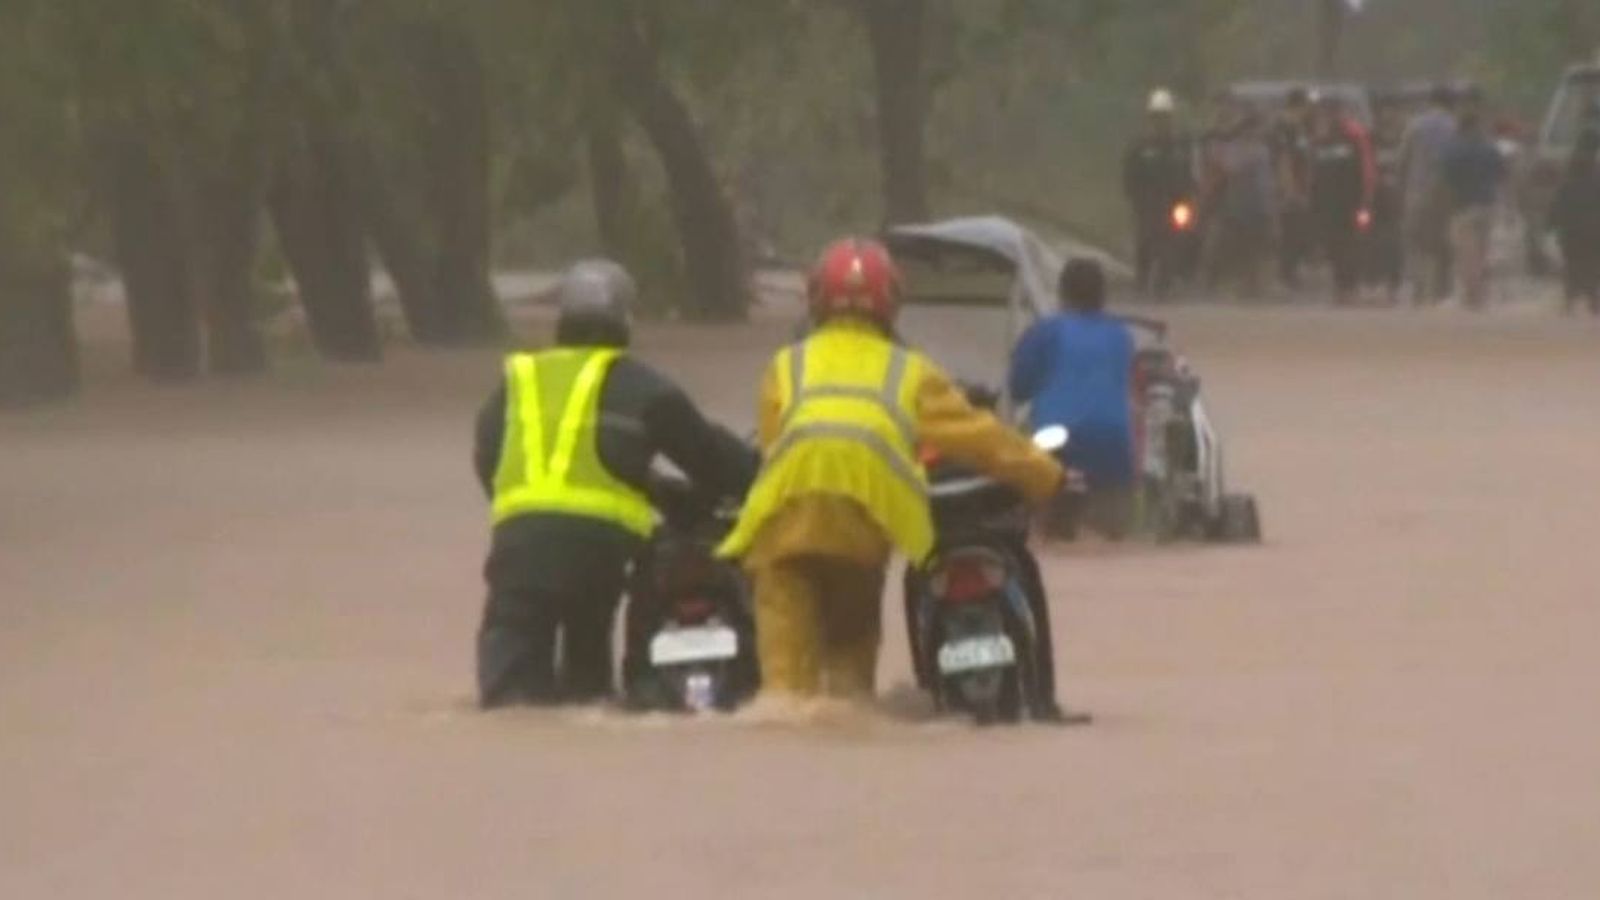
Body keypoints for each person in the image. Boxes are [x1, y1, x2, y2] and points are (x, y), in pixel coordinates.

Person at [716, 238, 1068, 717]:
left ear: (816, 298)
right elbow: (983, 438)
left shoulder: (785, 366)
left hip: (783, 528)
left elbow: (771, 449)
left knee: (784, 689)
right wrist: (1047, 477)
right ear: (891, 302)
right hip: (858, 528)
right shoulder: (910, 371)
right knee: (848, 662)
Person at [472, 259, 755, 708]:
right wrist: (764, 476)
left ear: (561, 319)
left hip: (518, 552)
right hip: (597, 555)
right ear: (625, 320)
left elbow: (488, 457)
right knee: (587, 685)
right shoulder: (642, 387)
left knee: (508, 698)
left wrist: (525, 517)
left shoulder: (516, 382)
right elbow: (710, 458)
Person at [1008, 258, 1136, 537]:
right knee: (1113, 537)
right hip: (1115, 447)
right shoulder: (1122, 336)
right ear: (1103, 296)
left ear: (1062, 293)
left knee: (1044, 529)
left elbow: (1018, 389)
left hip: (1056, 443)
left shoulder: (1045, 332)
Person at [1122, 88, 1196, 295]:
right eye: (1158, 117)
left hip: (1175, 203)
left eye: (1165, 117)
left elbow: (1188, 173)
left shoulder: (1181, 144)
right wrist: (1137, 201)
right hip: (1148, 204)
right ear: (1151, 119)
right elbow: (1130, 177)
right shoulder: (1140, 146)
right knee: (1145, 242)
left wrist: (1188, 199)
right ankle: (1142, 282)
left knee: (1173, 242)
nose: (1162, 122)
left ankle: (1165, 284)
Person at [1439, 104, 1508, 311]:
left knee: (1467, 254)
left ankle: (1473, 296)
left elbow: (1446, 181)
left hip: (1463, 207)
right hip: (1487, 205)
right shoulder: (1490, 148)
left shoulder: (1453, 150)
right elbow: (1502, 175)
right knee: (1483, 250)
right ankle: (1481, 294)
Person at [1308, 95, 1373, 305]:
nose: (1328, 117)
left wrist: (1366, 200)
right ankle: (1339, 288)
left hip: (1352, 203)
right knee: (1333, 245)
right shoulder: (1320, 140)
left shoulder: (1355, 135)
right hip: (1327, 205)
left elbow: (1367, 169)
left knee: (1351, 244)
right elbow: (1314, 173)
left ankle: (1351, 288)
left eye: (1332, 112)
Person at [1398, 84, 1457, 304]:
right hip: (1446, 196)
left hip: (1417, 192)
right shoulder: (1455, 127)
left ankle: (1418, 288)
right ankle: (1440, 293)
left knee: (1416, 243)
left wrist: (1401, 187)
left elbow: (1402, 160)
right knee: (1443, 244)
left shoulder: (1415, 126)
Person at [1550, 131, 1600, 314]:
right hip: (1594, 230)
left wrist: (1550, 226)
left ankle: (1569, 301)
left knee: (1571, 265)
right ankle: (1593, 300)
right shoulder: (1597, 182)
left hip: (1570, 232)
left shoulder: (1566, 185)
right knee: (1593, 265)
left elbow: (1556, 208)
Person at [1271, 87, 1315, 290]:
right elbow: (1284, 159)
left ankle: (1291, 273)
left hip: (1299, 187)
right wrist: (1290, 190)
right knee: (1289, 231)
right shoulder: (1284, 128)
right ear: (1299, 105)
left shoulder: (1299, 129)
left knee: (1298, 231)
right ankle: (1284, 276)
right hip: (1288, 190)